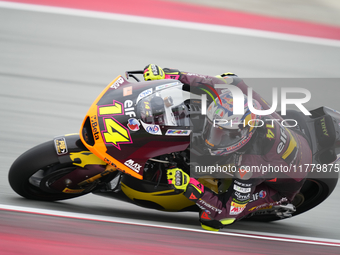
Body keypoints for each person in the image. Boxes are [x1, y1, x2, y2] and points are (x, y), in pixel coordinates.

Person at [143, 64, 312, 231]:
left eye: (221, 133)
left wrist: (189, 186)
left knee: (212, 220)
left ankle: (259, 204)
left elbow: (225, 211)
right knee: (229, 78)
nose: (212, 138)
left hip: (282, 184)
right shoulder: (241, 95)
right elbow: (210, 82)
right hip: (290, 133)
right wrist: (171, 74)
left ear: (241, 135)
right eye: (214, 129)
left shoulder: (249, 167)